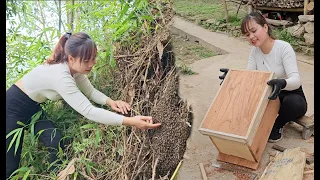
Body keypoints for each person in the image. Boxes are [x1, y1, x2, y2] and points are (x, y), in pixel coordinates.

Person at [6, 32, 161, 178]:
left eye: (93, 58)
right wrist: (131, 122)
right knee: (10, 165)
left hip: (32, 107)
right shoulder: (61, 76)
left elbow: (91, 92)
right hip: (11, 106)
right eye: (87, 60)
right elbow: (89, 111)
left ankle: (57, 176)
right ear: (71, 58)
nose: (91, 64)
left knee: (56, 141)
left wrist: (111, 102)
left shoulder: (75, 69)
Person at [219, 12, 307, 143]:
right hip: (269, 96)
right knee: (244, 98)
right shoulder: (254, 51)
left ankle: (278, 125)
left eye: (254, 31)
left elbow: (296, 80)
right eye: (247, 35)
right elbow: (250, 77)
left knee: (294, 103)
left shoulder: (283, 48)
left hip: (290, 94)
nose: (251, 37)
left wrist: (282, 83)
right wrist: (233, 78)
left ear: (265, 28)